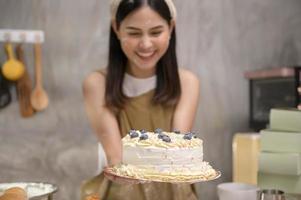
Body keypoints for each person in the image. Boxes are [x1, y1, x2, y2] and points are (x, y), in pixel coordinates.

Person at [81, 0, 200, 199]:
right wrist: (120, 167)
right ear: (116, 28)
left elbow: (177, 150)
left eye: (155, 32)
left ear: (171, 27)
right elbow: (116, 157)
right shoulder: (97, 84)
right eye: (134, 33)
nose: (145, 44)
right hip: (122, 193)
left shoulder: (187, 83)